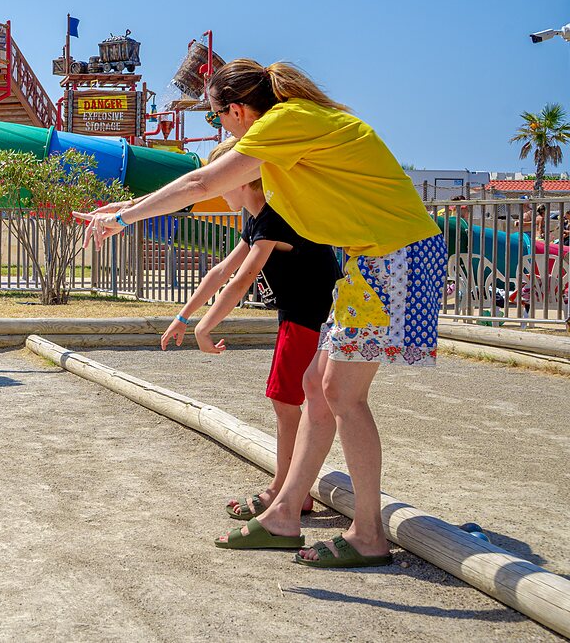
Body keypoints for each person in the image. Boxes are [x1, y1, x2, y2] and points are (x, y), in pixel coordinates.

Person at [77, 59, 445, 569]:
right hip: (376, 260)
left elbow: (199, 185)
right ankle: (286, 511)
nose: (223, 132)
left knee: (342, 393)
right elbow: (208, 189)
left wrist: (121, 215)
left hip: (397, 257)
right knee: (317, 385)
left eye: (219, 120)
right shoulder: (288, 135)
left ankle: (368, 533)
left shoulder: (285, 123)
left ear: (235, 111)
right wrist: (120, 210)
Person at [160, 137, 340, 523]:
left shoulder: (276, 216)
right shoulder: (259, 218)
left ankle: (287, 489)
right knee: (285, 400)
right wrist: (183, 317)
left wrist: (204, 328)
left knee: (285, 400)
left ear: (242, 179)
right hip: (298, 314)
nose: (215, 188)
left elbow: (242, 280)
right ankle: (293, 487)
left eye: (219, 180)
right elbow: (220, 272)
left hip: (310, 316)